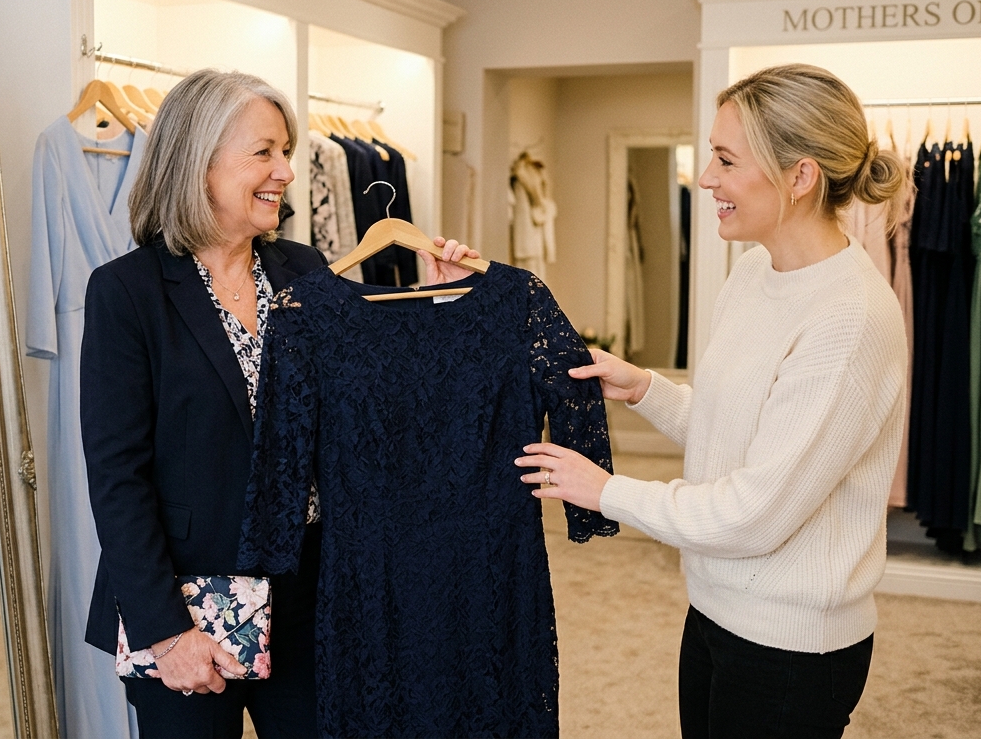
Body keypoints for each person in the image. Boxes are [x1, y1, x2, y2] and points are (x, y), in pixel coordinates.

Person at [80, 68, 477, 739]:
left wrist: (440, 303)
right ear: (198, 161)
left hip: (311, 594)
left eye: (286, 150)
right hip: (191, 602)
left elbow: (390, 400)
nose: (286, 171)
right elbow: (117, 475)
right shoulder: (128, 292)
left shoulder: (306, 270)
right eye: (264, 151)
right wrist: (166, 632)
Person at [516, 63, 908, 738]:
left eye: (725, 159)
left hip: (789, 644)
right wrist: (645, 388)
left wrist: (606, 491)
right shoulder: (757, 269)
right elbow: (739, 434)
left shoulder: (849, 320)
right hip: (716, 607)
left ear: (800, 176)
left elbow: (755, 513)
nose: (705, 178)